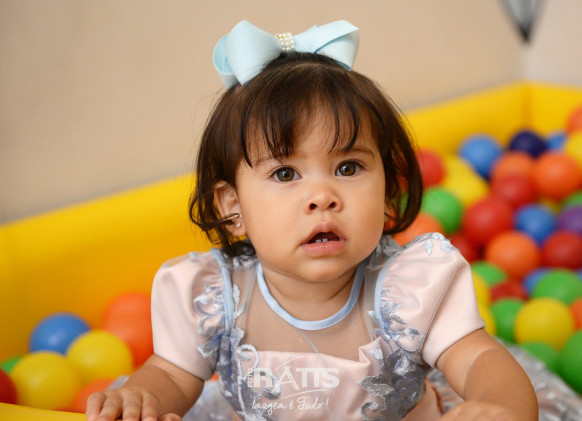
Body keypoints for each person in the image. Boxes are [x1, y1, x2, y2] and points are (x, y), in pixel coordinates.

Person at [86, 20, 538, 421]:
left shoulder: (410, 289)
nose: (322, 197)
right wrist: (144, 397)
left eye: (348, 168)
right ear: (232, 207)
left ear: (387, 191)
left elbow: (478, 360)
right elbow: (171, 374)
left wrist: (501, 407)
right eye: (285, 174)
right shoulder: (214, 297)